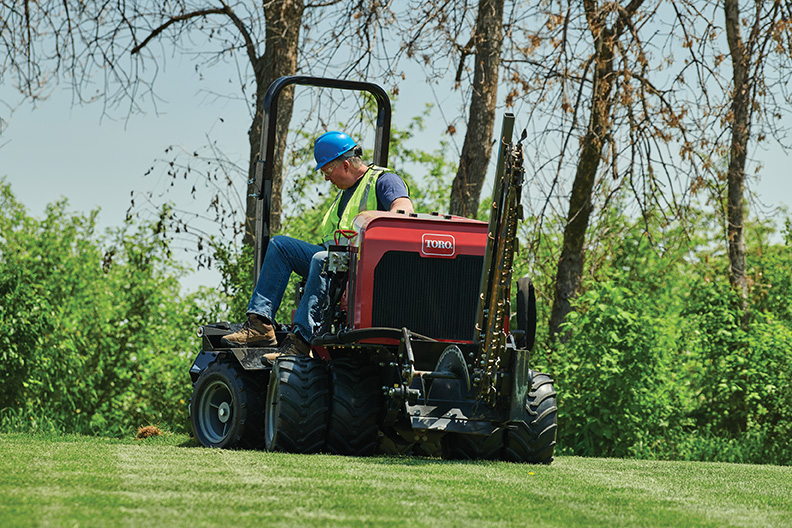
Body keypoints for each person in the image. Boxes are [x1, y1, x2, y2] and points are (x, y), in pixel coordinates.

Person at [221, 131, 414, 358]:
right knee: (280, 246)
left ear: (345, 165)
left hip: (365, 266)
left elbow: (403, 211)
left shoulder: (383, 180)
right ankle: (260, 324)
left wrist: (374, 223)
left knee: (321, 259)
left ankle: (301, 342)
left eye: (326, 170)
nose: (326, 178)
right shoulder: (346, 193)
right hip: (336, 259)